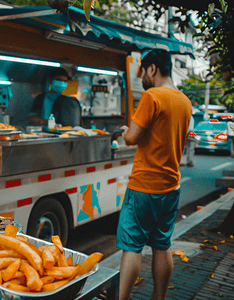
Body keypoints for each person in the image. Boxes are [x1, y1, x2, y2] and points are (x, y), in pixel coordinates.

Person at [117, 49, 192, 300]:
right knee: (162, 246)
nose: (142, 79)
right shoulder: (185, 101)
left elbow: (131, 138)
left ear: (152, 69)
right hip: (171, 187)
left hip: (144, 186)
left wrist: (124, 130)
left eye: (143, 72)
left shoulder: (152, 96)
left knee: (132, 246)